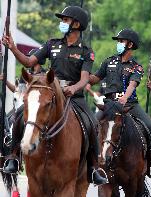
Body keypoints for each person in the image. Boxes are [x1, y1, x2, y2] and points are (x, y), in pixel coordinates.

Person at [2, 6, 107, 185]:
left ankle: (93, 167)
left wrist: (74, 89)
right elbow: (29, 61)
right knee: (20, 114)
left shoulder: (85, 51)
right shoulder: (52, 44)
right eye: (63, 20)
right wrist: (13, 47)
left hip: (74, 97)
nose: (62, 23)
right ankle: (13, 157)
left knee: (92, 123)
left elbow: (84, 79)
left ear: (76, 24)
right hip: (51, 92)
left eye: (65, 20)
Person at [89, 28, 151, 178]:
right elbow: (95, 78)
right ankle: (90, 163)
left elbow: (132, 85)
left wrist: (124, 98)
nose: (118, 44)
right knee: (92, 125)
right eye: (118, 41)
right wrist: (82, 75)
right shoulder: (108, 61)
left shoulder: (137, 67)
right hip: (109, 104)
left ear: (130, 44)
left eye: (121, 41)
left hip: (129, 105)